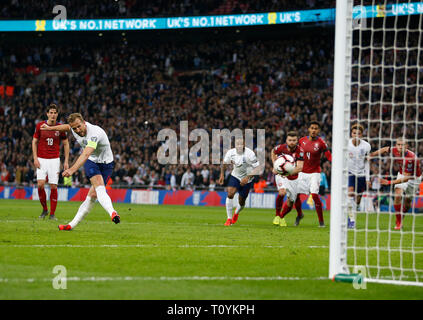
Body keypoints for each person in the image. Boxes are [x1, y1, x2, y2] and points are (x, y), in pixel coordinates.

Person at [41, 113, 120, 230]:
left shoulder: (95, 133)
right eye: (74, 128)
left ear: (84, 123)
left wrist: (72, 170)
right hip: (92, 161)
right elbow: (66, 127)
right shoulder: (73, 128)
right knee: (98, 186)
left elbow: (86, 153)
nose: (77, 130)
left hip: (106, 163)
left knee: (93, 194)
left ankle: (71, 225)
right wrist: (50, 128)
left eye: (79, 126)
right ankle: (112, 213)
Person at [369, 137, 422, 230]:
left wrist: (389, 182)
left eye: (403, 145)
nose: (400, 147)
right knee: (398, 195)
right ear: (396, 145)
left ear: (407, 146)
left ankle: (400, 218)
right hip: (402, 174)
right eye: (398, 144)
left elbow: (407, 178)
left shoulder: (410, 158)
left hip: (414, 179)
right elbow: (385, 149)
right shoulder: (394, 150)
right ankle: (398, 223)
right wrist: (372, 155)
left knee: (408, 202)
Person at [32, 104, 69, 220]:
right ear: (47, 114)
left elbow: (66, 143)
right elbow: (34, 142)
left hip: (54, 160)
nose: (53, 115)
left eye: (55, 113)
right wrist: (35, 158)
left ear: (57, 114)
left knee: (53, 186)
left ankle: (52, 214)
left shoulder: (60, 127)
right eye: (51, 112)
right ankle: (44, 209)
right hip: (42, 159)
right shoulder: (40, 126)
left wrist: (66, 161)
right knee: (40, 184)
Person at [218, 138, 261, 226]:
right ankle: (229, 219)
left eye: (241, 144)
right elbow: (224, 163)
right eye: (237, 144)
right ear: (235, 145)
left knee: (241, 201)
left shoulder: (250, 154)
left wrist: (247, 177)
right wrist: (222, 175)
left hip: (248, 179)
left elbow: (257, 168)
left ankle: (236, 212)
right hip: (235, 176)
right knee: (230, 193)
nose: (239, 146)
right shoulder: (231, 152)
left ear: (244, 145)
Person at [298, 121, 332, 227]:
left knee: (315, 195)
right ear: (308, 129)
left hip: (315, 173)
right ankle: (299, 214)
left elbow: (328, 155)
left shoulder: (321, 143)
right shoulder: (301, 141)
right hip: (302, 172)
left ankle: (321, 222)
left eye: (316, 128)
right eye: (312, 128)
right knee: (294, 195)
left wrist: (334, 163)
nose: (313, 130)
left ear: (318, 131)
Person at [271, 131, 305, 227]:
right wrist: (275, 165)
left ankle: (282, 216)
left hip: (293, 178)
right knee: (282, 192)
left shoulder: (300, 151)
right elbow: (273, 151)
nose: (292, 142)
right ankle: (277, 215)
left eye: (294, 140)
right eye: (290, 140)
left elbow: (300, 167)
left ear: (297, 141)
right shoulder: (281, 147)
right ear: (286, 140)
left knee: (291, 202)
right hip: (281, 175)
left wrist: (287, 172)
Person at [347, 123, 371, 229]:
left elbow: (367, 163)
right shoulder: (346, 144)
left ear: (361, 135)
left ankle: (352, 211)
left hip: (361, 174)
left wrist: (367, 178)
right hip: (349, 172)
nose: (356, 135)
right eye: (354, 133)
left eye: (358, 133)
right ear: (351, 133)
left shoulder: (366, 146)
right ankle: (351, 220)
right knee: (350, 193)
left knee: (358, 199)